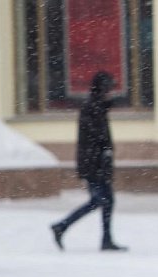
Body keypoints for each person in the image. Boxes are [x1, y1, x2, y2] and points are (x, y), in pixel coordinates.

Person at [51, 71, 127, 252]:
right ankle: (62, 226)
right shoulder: (92, 108)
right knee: (99, 200)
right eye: (108, 89)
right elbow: (94, 139)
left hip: (99, 164)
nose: (111, 92)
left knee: (106, 201)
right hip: (94, 165)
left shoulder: (98, 107)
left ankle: (105, 238)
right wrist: (101, 158)